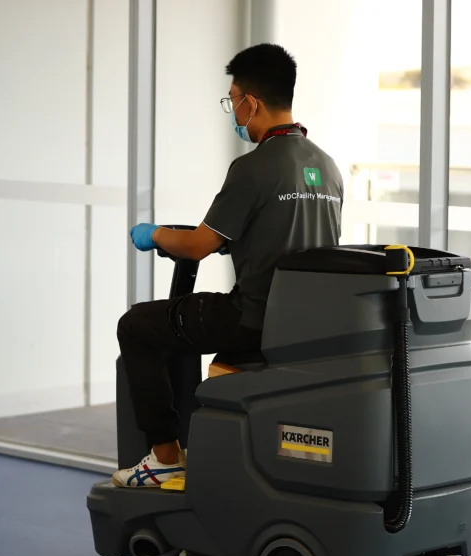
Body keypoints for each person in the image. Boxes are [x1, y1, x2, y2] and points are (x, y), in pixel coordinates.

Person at [112, 43, 343, 488]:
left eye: (233, 98)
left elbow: (197, 244)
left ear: (250, 101)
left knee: (137, 325)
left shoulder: (253, 167)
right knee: (171, 326)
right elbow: (294, 239)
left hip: (252, 319)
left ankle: (164, 461)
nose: (233, 109)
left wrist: (155, 234)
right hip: (304, 325)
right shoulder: (326, 166)